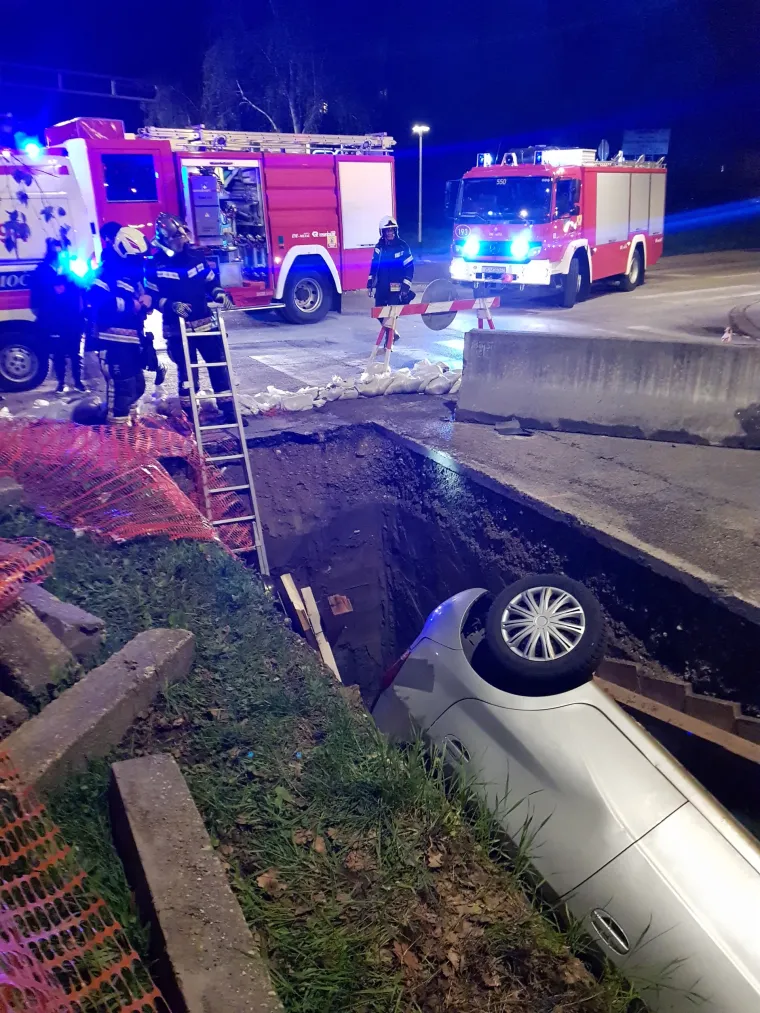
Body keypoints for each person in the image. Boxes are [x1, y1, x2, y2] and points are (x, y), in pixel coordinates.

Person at [145, 213, 235, 423]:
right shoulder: (154, 265)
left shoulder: (196, 258)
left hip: (204, 324)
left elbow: (210, 282)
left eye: (182, 237)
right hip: (176, 329)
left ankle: (228, 410)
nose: (181, 241)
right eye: (177, 238)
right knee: (187, 373)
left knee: (217, 366)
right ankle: (189, 417)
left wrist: (219, 293)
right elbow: (153, 296)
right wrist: (170, 305)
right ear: (165, 240)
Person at [89, 226, 156, 424]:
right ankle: (117, 439)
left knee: (137, 386)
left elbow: (138, 300)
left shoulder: (130, 275)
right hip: (111, 344)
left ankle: (131, 429)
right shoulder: (105, 273)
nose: (140, 262)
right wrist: (130, 305)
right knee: (122, 390)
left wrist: (146, 301)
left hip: (131, 343)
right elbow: (97, 304)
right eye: (137, 258)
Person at [28, 238, 85, 394]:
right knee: (59, 352)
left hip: (72, 318)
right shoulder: (42, 271)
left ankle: (78, 381)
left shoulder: (70, 272)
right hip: (54, 319)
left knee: (74, 352)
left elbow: (82, 288)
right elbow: (37, 297)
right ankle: (61, 382)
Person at [367, 215, 415, 309]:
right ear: (383, 232)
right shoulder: (379, 247)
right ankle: (386, 324)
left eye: (392, 230)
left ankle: (389, 323)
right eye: (388, 231)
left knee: (392, 315)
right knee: (379, 313)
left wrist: (405, 286)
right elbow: (374, 267)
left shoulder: (403, 246)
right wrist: (370, 284)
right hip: (381, 288)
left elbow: (410, 268)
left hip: (396, 288)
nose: (390, 233)